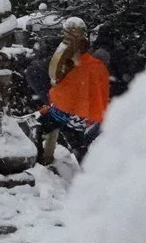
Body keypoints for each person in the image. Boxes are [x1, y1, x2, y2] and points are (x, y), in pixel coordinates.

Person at [40, 16, 111, 165]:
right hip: (80, 109)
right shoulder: (85, 52)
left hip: (70, 107)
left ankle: (47, 160)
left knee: (44, 126)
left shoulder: (67, 50)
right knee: (77, 144)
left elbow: (55, 73)